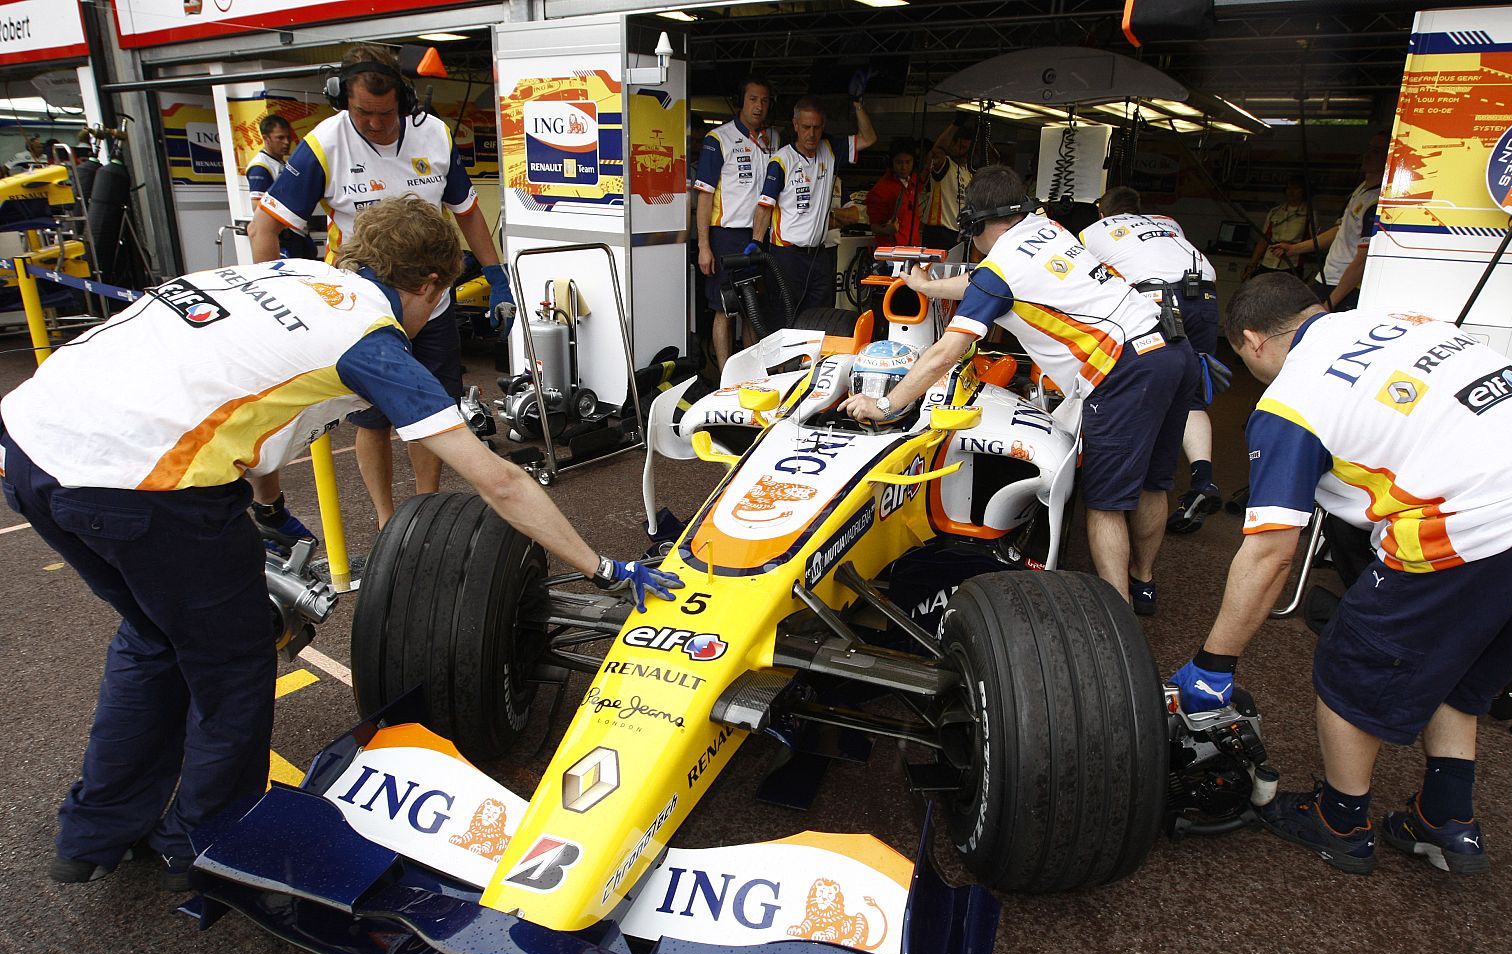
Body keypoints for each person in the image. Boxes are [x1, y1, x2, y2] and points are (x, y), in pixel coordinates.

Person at [0, 196, 682, 892]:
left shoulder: (289, 275)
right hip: (137, 485)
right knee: (232, 662)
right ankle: (208, 839)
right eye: (433, 304)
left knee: (152, 638)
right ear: (428, 289)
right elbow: (500, 482)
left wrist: (269, 511)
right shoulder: (370, 338)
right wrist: (604, 567)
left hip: (28, 445)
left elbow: (243, 394)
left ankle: (92, 833)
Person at [1171, 273, 1512, 876]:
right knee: (1458, 671)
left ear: (1251, 341)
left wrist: (1215, 664)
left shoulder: (1293, 397)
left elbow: (1272, 553)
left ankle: (1340, 821)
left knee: (1350, 660)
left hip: (1487, 529)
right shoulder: (1400, 320)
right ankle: (1445, 820)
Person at [842, 165, 1196, 608]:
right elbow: (984, 279)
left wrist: (886, 404)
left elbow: (946, 352)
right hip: (1171, 348)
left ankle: (1118, 617)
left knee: (1104, 504)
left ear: (980, 224)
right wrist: (928, 289)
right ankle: (1143, 581)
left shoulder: (1002, 267)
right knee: (1152, 484)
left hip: (1123, 371)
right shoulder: (1048, 228)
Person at [246, 43, 514, 529]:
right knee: (372, 419)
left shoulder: (433, 135)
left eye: (385, 113)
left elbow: (468, 212)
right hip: (359, 311)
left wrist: (497, 278)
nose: (373, 123)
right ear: (340, 98)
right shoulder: (323, 144)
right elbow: (262, 230)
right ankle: (388, 520)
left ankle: (425, 510)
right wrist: (274, 300)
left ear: (405, 99)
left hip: (430, 305)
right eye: (361, 112)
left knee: (431, 410)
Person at [1080, 186, 1227, 544]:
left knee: (1150, 376)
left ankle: (1134, 467)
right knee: (1191, 395)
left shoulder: (1094, 231)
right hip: (1204, 295)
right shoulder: (1168, 222)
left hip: (1157, 297)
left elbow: (1082, 279)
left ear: (1104, 212)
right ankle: (1202, 478)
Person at [751, 91, 877, 311]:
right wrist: (756, 244)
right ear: (795, 125)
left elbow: (869, 138)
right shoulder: (781, 160)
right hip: (786, 254)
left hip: (819, 255)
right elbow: (764, 207)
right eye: (806, 127)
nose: (811, 134)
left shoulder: (829, 149)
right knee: (786, 319)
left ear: (823, 125)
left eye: (817, 127)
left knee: (821, 318)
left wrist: (858, 105)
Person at [694, 78, 779, 372]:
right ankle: (723, 376)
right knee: (724, 308)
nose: (759, 106)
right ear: (741, 101)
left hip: (760, 235)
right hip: (726, 236)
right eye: (753, 99)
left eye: (765, 100)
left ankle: (751, 373)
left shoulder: (773, 139)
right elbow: (704, 195)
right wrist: (704, 246)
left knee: (752, 309)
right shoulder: (718, 139)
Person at [1272, 135, 1386, 311]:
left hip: (1345, 287)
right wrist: (1295, 248)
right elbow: (1339, 230)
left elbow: (1362, 262)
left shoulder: (1376, 201)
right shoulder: (1361, 189)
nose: (1368, 155)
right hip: (1327, 277)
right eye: (1369, 148)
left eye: (1377, 151)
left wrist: (1330, 304)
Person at [244, 115, 316, 260]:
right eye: (280, 138)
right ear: (266, 138)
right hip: (283, 238)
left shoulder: (281, 163)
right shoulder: (260, 167)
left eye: (288, 137)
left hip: (297, 233)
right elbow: (258, 207)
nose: (286, 142)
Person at [922, 118, 975, 252]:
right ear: (952, 144)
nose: (964, 151)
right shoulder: (945, 164)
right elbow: (936, 149)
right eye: (961, 147)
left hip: (957, 233)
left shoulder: (968, 173)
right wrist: (956, 124)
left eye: (967, 148)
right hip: (938, 230)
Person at [865, 141, 922, 248]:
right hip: (891, 250)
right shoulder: (881, 189)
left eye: (908, 162)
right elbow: (874, 226)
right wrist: (886, 230)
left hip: (913, 248)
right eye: (899, 162)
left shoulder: (914, 182)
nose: (904, 167)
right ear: (891, 163)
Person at [1247, 181, 1309, 278]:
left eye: (1296, 188)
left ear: (1303, 191)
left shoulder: (1309, 214)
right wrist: (1251, 265)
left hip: (1292, 264)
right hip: (1269, 261)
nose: (1291, 192)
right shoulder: (1275, 212)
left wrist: (1292, 248)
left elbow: (1311, 241)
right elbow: (1263, 240)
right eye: (1289, 188)